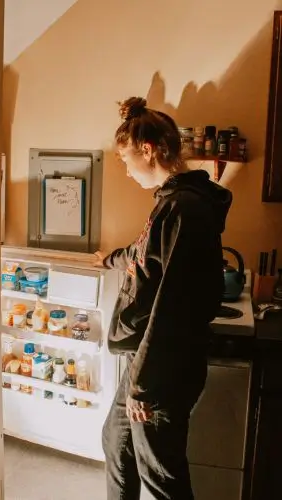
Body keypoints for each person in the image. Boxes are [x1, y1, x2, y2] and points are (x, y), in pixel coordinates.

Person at [97, 97, 232, 500]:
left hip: (162, 369)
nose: (124, 169)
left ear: (148, 149)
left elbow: (173, 307)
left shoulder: (184, 209)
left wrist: (145, 385)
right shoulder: (171, 202)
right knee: (117, 443)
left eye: (125, 159)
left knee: (160, 473)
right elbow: (147, 256)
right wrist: (109, 259)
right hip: (147, 361)